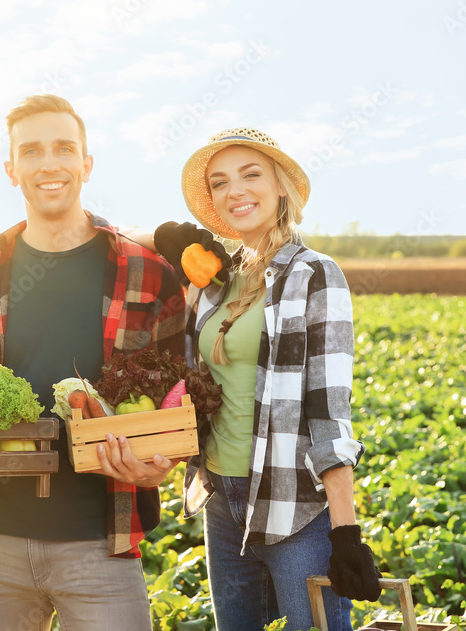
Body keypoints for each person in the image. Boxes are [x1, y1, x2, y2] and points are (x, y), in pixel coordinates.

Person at [0, 93, 185, 631]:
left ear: (86, 164)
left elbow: (179, 399)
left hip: (102, 540)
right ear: (11, 168)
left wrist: (161, 463)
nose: (49, 163)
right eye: (32, 150)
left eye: (64, 148)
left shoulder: (148, 273)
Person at [151, 128, 382, 631]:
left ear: (280, 186)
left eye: (250, 175)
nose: (235, 191)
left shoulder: (315, 274)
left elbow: (328, 410)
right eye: (220, 182)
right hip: (222, 500)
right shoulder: (215, 282)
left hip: (294, 506)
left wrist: (345, 534)